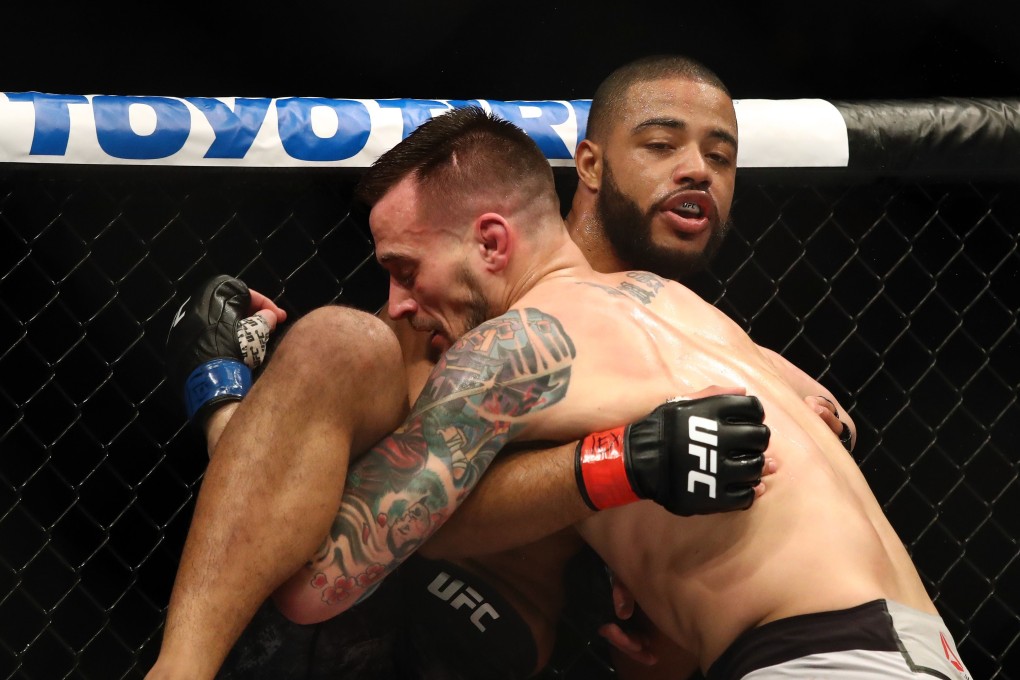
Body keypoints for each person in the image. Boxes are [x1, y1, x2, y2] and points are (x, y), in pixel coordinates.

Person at [147, 55, 853, 680]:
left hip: (480, 627)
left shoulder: (722, 355)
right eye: (663, 144)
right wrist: (232, 412)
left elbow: (658, 656)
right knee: (341, 345)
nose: (697, 169)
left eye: (722, 158)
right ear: (592, 165)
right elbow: (330, 518)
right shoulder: (451, 304)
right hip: (352, 582)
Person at [313, 105, 971, 678]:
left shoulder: (509, 348)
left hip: (823, 658)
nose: (398, 303)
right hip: (926, 646)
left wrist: (227, 397)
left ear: (490, 241)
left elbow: (323, 582)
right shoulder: (684, 310)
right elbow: (831, 420)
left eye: (405, 269)